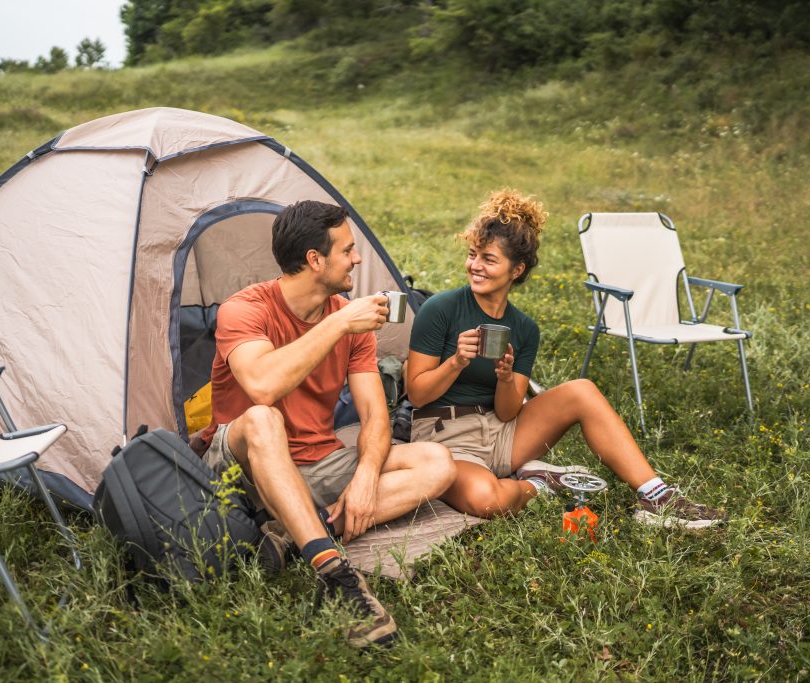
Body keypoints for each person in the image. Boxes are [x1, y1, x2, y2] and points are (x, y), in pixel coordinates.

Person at [201, 200, 456, 648]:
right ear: (315, 260)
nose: (357, 259)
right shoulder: (244, 309)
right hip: (243, 466)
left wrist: (364, 476)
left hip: (317, 462)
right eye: (347, 250)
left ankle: (292, 531)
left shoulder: (350, 320)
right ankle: (335, 574)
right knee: (263, 418)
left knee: (438, 462)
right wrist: (339, 323)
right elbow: (261, 386)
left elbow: (376, 414)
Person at [404, 189, 727, 528]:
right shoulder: (440, 309)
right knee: (487, 500)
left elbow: (507, 412)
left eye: (488, 259)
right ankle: (539, 483)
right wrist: (456, 362)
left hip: (501, 432)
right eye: (473, 255)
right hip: (446, 438)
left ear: (516, 270)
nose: (475, 266)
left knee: (582, 391)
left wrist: (505, 377)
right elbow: (417, 395)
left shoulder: (524, 329)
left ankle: (657, 495)